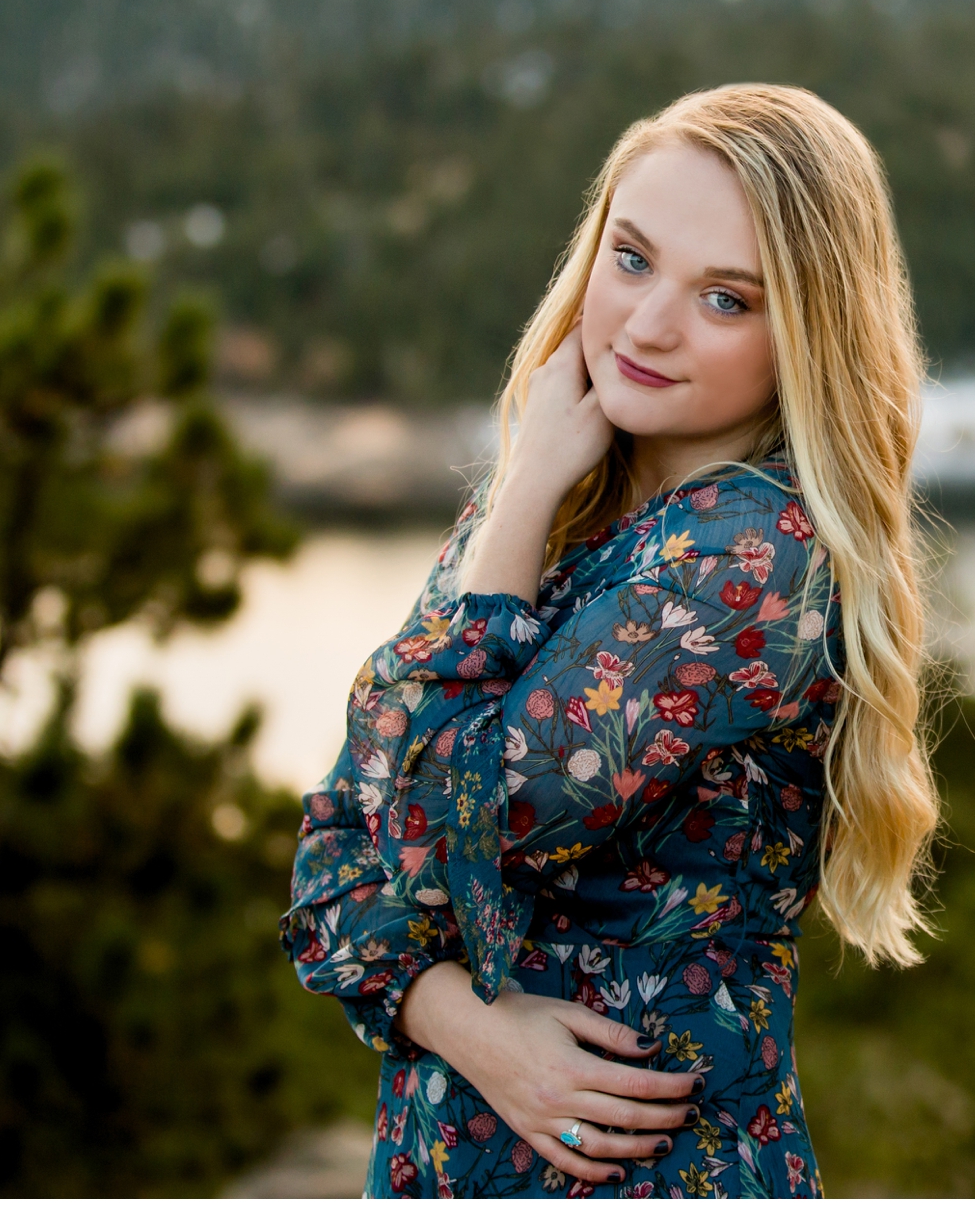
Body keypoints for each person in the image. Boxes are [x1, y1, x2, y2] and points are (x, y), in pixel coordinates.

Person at [282, 84, 940, 1197]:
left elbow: (440, 828)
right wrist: (467, 1028)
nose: (644, 324)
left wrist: (524, 488)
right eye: (630, 260)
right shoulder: (553, 507)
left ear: (809, 332)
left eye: (726, 298)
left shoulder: (750, 566)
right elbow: (333, 861)